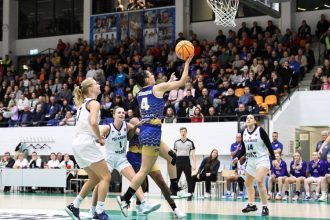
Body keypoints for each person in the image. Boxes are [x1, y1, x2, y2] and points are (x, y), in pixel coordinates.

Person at [117, 56, 193, 216]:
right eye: (150, 74)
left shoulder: (140, 93)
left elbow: (158, 96)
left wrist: (168, 84)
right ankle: (125, 198)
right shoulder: (156, 88)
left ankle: (174, 188)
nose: (153, 75)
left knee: (173, 157)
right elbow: (182, 82)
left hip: (148, 131)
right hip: (151, 132)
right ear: (146, 79)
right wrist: (187, 63)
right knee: (144, 170)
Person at [88, 107, 160, 217]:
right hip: (109, 159)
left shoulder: (127, 126)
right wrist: (100, 139)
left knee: (135, 179)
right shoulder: (108, 127)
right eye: (119, 112)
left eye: (123, 112)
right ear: (114, 115)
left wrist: (148, 126)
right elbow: (95, 135)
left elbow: (139, 132)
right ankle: (92, 209)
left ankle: (144, 204)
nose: (121, 114)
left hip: (122, 159)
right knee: (99, 184)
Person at [65, 78, 111, 220]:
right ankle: (99, 212)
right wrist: (99, 138)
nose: (99, 85)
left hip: (77, 144)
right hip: (86, 142)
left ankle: (75, 205)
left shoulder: (82, 105)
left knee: (95, 177)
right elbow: (93, 123)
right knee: (106, 176)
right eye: (96, 83)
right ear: (91, 88)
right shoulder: (94, 103)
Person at [126, 117, 186, 218]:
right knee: (143, 183)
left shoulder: (147, 128)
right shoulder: (129, 130)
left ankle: (175, 209)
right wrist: (136, 126)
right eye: (135, 123)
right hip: (135, 157)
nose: (138, 123)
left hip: (148, 156)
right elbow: (130, 135)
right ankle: (139, 205)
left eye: (139, 121)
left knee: (161, 182)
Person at [233, 114, 278, 216]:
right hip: (251, 160)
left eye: (251, 118)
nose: (248, 119)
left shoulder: (260, 131)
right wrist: (237, 157)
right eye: (247, 118)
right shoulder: (243, 132)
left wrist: (274, 159)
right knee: (248, 183)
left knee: (259, 181)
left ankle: (265, 207)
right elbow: (244, 149)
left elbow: (269, 145)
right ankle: (252, 204)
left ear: (254, 121)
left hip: (262, 159)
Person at [173, 127, 196, 200]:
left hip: (186, 160)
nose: (183, 133)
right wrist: (172, 163)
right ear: (180, 133)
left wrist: (194, 164)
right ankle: (174, 193)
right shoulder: (176, 142)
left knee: (189, 179)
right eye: (182, 131)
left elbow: (193, 154)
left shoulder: (190, 142)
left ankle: (189, 195)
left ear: (186, 132)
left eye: (184, 131)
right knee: (176, 178)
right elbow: (174, 153)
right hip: (178, 160)